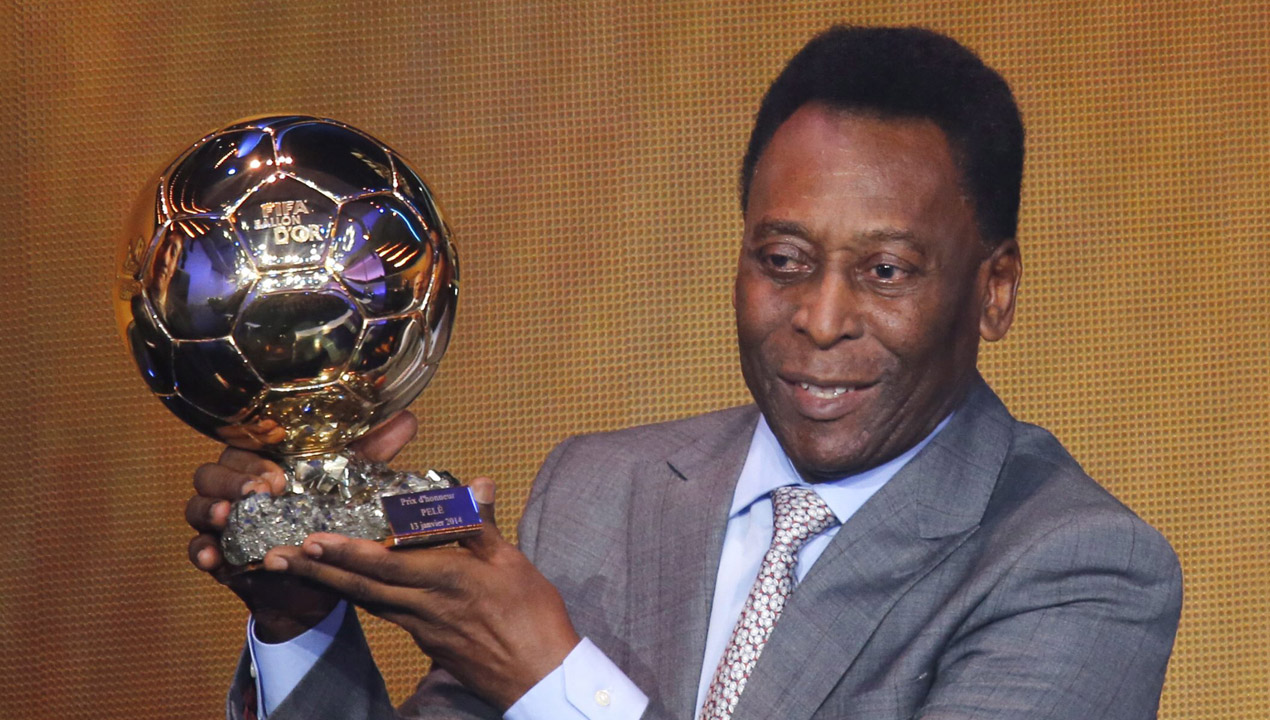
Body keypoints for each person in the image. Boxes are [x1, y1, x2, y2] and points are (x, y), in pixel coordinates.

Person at [186, 25, 1183, 720]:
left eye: (885, 272)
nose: (819, 319)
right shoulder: (597, 494)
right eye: (782, 260)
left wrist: (555, 683)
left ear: (994, 291)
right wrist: (302, 624)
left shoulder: (1078, 569)